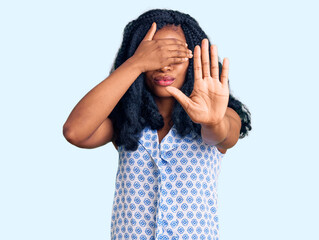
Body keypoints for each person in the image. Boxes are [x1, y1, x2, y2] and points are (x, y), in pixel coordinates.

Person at [62, 8, 251, 240]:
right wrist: (135, 64)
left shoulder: (221, 116)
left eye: (175, 56)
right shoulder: (125, 122)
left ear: (194, 61)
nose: (164, 66)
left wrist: (213, 121)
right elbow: (74, 132)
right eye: (155, 55)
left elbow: (221, 135)